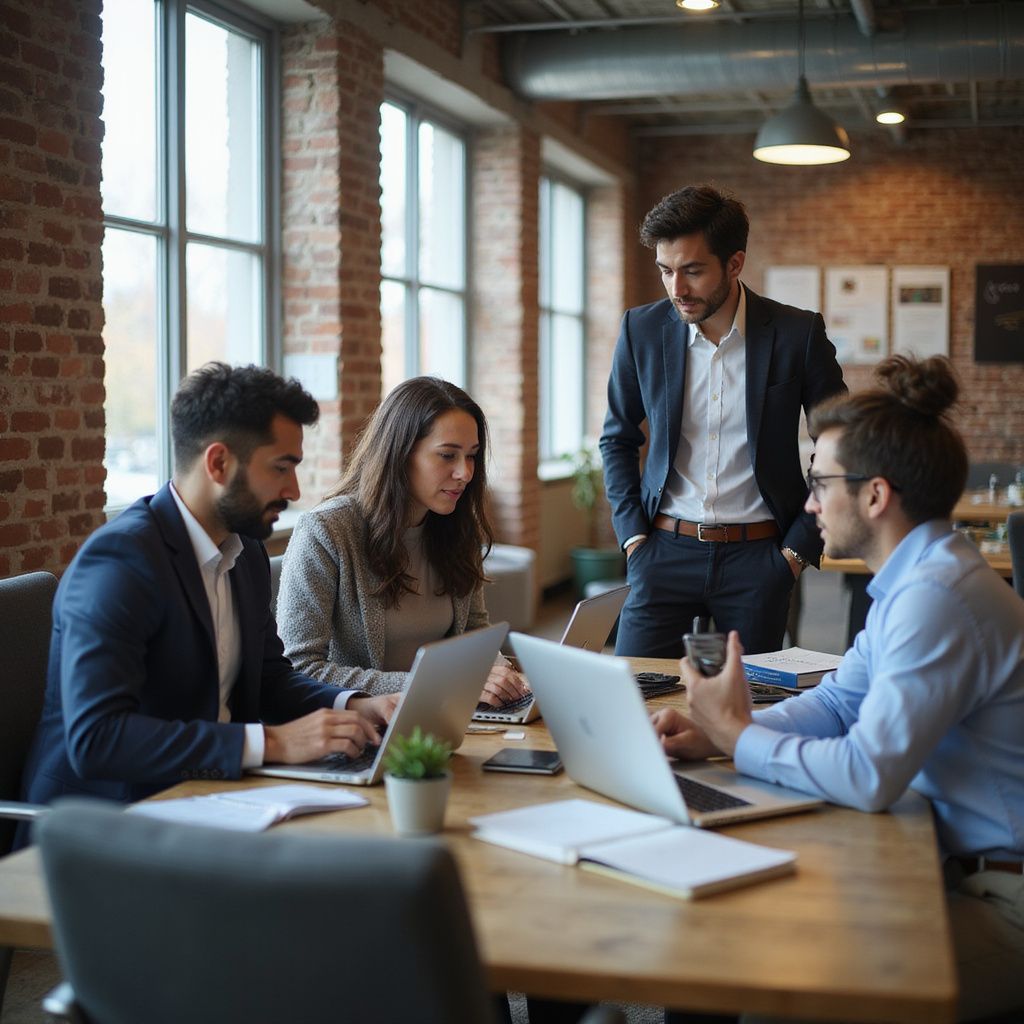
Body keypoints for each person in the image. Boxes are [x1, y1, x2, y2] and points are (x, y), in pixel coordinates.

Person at [654, 354, 1024, 1022]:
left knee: (785, 984)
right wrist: (713, 732)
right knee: (747, 929)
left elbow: (867, 774)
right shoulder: (917, 579)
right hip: (942, 860)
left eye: (820, 483)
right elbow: (839, 702)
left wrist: (738, 735)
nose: (808, 502)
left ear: (876, 495)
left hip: (1002, 902)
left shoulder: (936, 596)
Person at [21, 363, 396, 813]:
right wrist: (272, 742)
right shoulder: (120, 563)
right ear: (218, 462)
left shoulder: (245, 552)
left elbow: (268, 678)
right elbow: (98, 738)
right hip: (108, 821)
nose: (293, 490)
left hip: (214, 796)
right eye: (281, 467)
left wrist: (353, 705)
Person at [600, 184, 846, 657]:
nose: (677, 289)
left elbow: (842, 445)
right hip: (662, 551)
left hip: (761, 558)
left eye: (692, 271)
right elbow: (617, 439)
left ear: (734, 263)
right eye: (666, 271)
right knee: (634, 700)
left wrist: (795, 552)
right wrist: (634, 541)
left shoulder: (798, 334)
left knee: (749, 709)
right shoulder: (641, 330)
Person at [277, 376, 529, 708]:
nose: (465, 473)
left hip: (446, 711)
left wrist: (503, 674)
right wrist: (436, 684)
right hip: (365, 728)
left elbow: (473, 629)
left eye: (471, 456)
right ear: (399, 453)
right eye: (447, 456)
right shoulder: (326, 531)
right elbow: (300, 669)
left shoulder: (456, 527)